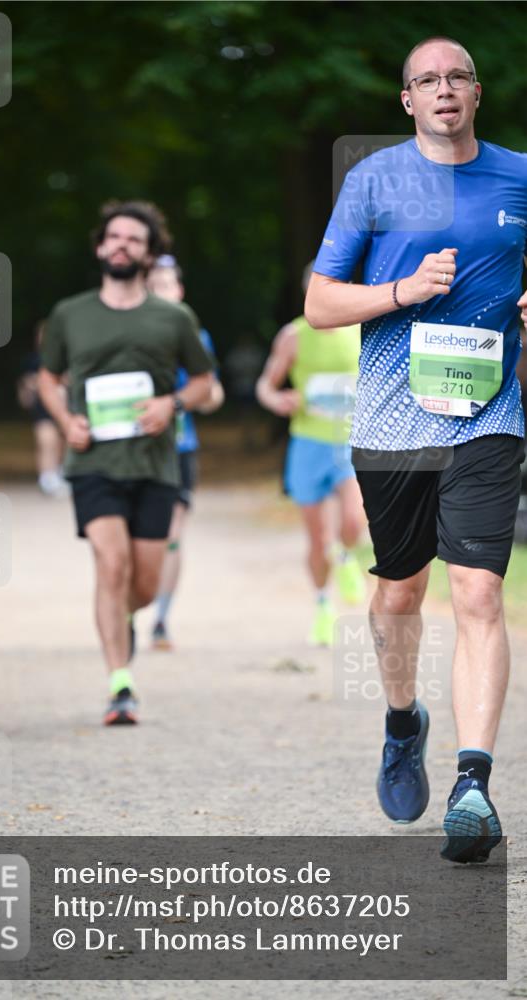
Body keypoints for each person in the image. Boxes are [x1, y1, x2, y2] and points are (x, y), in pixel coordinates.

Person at [306, 36, 527, 863]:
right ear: (407, 100)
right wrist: (401, 291)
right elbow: (320, 303)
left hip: (486, 413)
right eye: (425, 80)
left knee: (475, 593)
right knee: (399, 595)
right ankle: (403, 720)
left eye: (456, 76)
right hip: (394, 423)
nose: (442, 89)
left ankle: (472, 784)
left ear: (476, 92)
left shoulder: (518, 174)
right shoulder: (373, 180)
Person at [38, 201, 214, 725]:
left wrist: (172, 404)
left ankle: (125, 620)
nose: (121, 245)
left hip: (155, 467)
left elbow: (205, 383)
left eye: (134, 240)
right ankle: (121, 684)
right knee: (110, 565)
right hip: (92, 463)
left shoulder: (174, 318)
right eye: (113, 237)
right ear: (99, 247)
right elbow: (49, 379)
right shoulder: (71, 314)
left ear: (149, 253)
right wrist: (66, 421)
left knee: (141, 584)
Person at [256, 265, 366, 647]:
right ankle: (322, 605)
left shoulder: (361, 328)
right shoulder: (294, 335)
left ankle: (348, 556)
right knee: (317, 540)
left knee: (353, 521)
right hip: (307, 444)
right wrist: (278, 399)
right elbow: (265, 386)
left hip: (350, 441)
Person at [146, 255, 224, 650]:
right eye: (153, 283)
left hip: (179, 448)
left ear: (179, 291)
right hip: (134, 451)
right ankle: (129, 606)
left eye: (167, 283)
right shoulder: (129, 332)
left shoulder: (195, 336)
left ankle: (161, 618)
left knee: (171, 536)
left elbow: (213, 394)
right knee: (137, 537)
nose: (161, 290)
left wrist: (195, 399)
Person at [17, 322, 68, 497]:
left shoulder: (66, 359)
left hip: (63, 407)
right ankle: (47, 477)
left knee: (62, 444)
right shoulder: (32, 361)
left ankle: (59, 474)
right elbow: (24, 385)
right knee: (46, 441)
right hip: (42, 409)